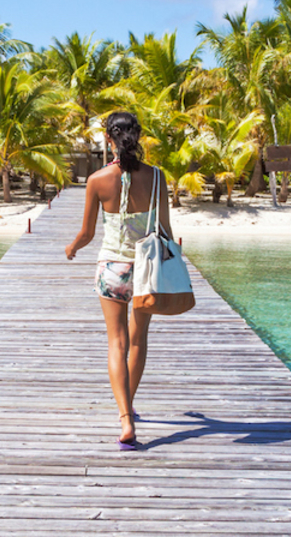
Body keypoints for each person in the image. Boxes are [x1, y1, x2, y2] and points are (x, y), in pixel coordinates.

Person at [65, 111, 172, 450]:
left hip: (112, 268)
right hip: (145, 270)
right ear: (137, 137)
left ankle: (126, 419)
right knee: (138, 342)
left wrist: (72, 248)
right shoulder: (157, 177)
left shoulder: (97, 179)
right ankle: (129, 405)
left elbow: (87, 233)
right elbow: (165, 230)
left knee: (117, 343)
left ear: (109, 139)